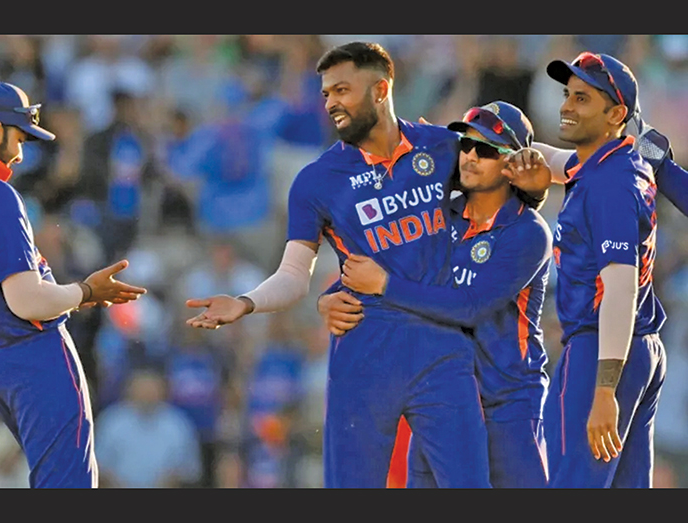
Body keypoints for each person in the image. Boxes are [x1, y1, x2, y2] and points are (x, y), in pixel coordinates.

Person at [185, 41, 493, 488]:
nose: (331, 103)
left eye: (343, 90)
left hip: (441, 349)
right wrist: (246, 303)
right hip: (363, 352)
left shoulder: (442, 146)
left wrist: (578, 165)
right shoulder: (316, 180)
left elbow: (518, 166)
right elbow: (294, 275)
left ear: (381, 89)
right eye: (327, 93)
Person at [0, 80, 148, 488]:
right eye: (19, 137)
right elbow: (28, 302)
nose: (19, 153)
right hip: (30, 355)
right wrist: (87, 292)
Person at [319, 101, 553, 488]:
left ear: (511, 164)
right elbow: (381, 266)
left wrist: (384, 286)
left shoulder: (527, 233)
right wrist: (330, 298)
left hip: (507, 407)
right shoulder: (437, 216)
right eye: (466, 146)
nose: (472, 157)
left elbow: (471, 307)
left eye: (488, 150)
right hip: (443, 401)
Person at [506, 52, 668, 488]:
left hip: (602, 351)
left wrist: (602, 391)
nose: (566, 106)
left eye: (582, 99)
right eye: (567, 95)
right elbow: (551, 160)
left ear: (616, 114)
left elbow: (620, 291)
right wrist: (496, 148)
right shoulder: (612, 162)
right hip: (640, 350)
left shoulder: (608, 184)